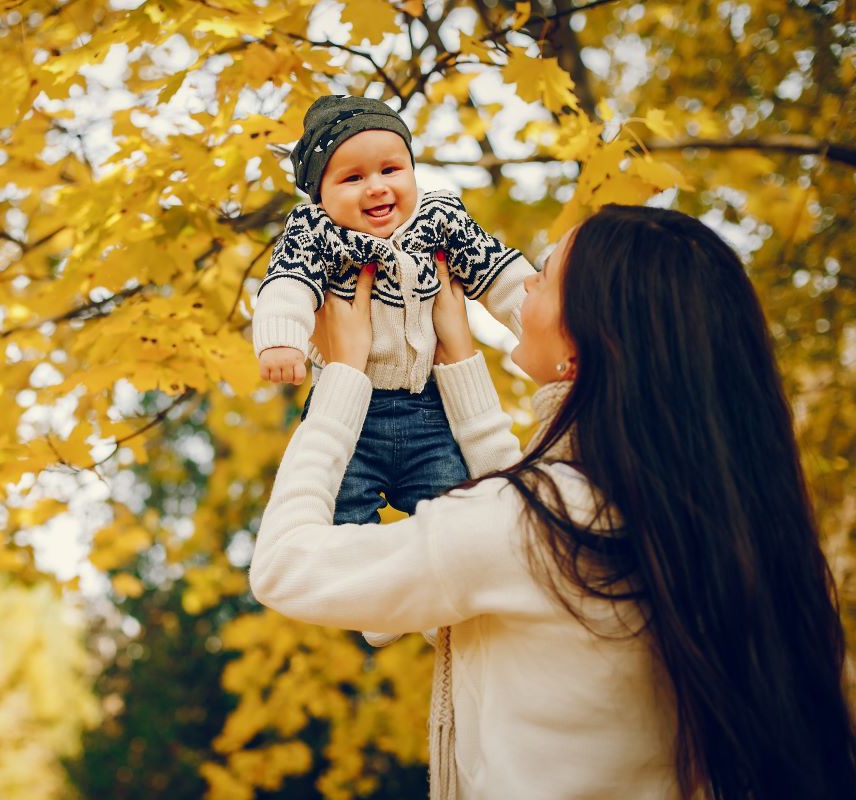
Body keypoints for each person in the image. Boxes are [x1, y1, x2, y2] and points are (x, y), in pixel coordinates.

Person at [249, 204, 856, 799]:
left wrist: (344, 377)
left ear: (584, 343)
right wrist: (459, 361)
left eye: (541, 277)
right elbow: (516, 517)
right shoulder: (693, 509)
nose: (522, 285)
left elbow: (286, 565)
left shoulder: (530, 526)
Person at [252, 95, 534, 529]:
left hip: (429, 410)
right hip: (351, 412)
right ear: (319, 196)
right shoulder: (314, 231)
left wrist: (536, 317)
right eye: (352, 178)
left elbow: (498, 272)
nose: (377, 187)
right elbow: (287, 284)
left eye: (390, 170)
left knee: (455, 513)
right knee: (339, 515)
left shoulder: (440, 220)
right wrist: (280, 339)